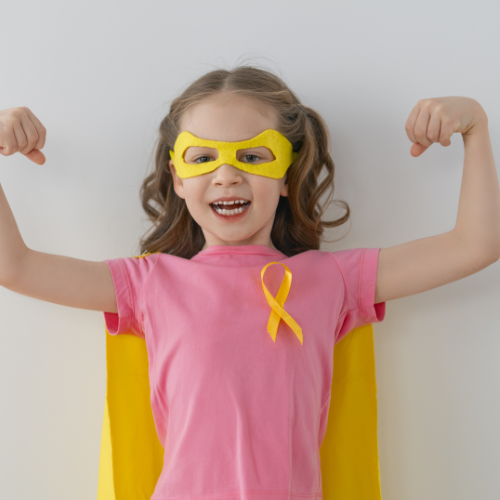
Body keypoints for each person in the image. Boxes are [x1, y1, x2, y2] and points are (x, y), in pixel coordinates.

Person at [0, 65, 499, 500]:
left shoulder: (332, 280)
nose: (226, 175)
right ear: (177, 177)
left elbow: (475, 245)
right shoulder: (150, 282)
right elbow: (14, 266)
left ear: (287, 173)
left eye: (253, 156)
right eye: (203, 158)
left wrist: (475, 123)